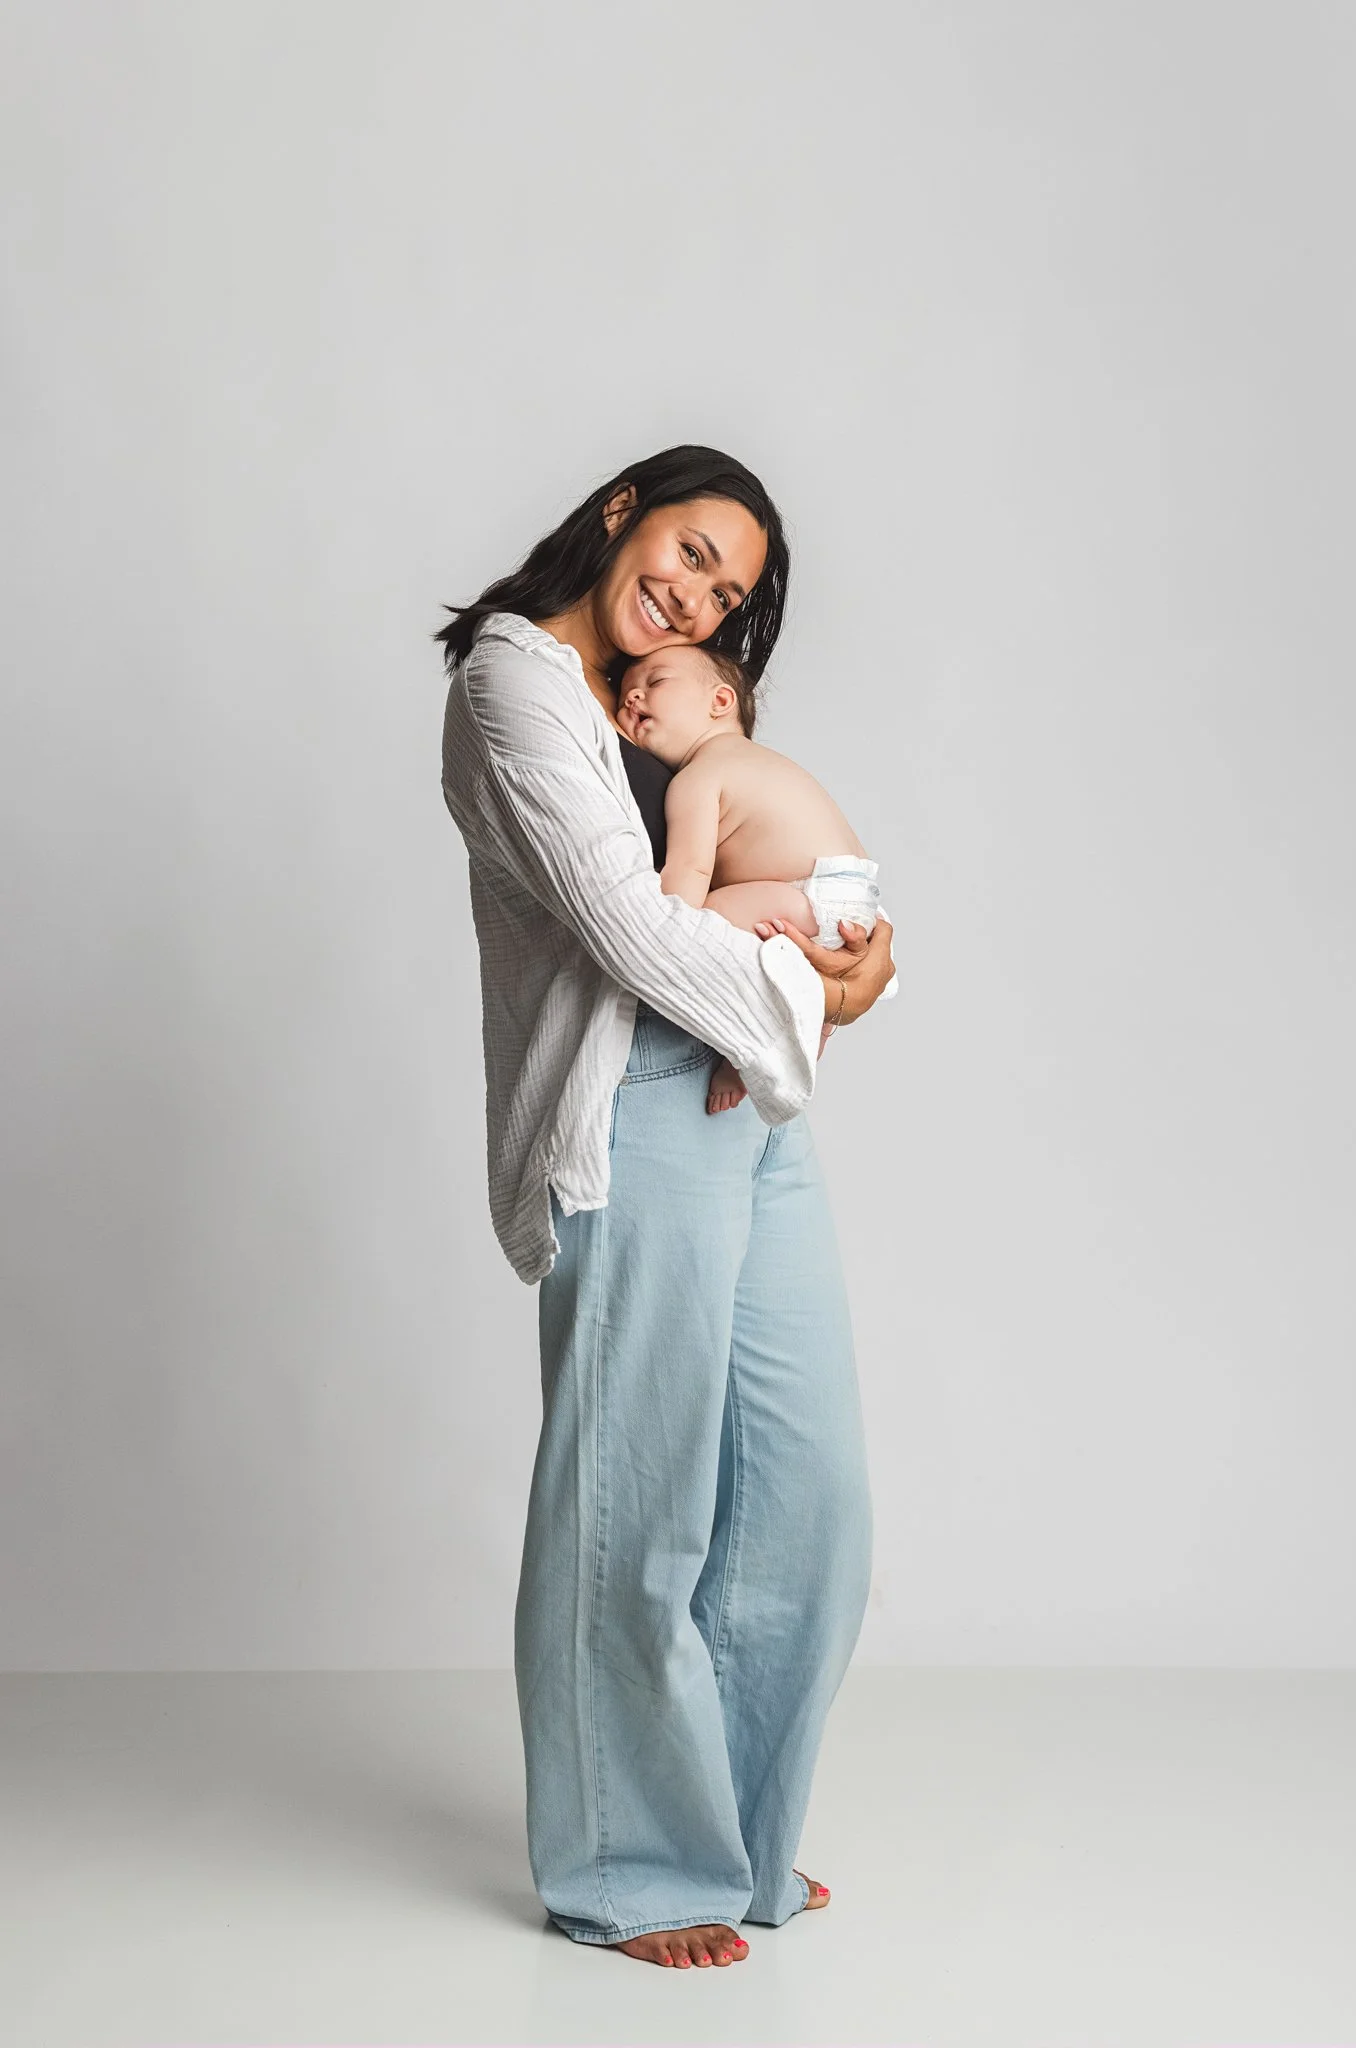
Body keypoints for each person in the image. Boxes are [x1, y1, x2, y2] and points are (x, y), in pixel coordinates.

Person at [436, 445, 896, 1970]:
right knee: (631, 1511)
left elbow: (778, 873)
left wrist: (845, 962)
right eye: (690, 548)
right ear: (623, 508)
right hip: (633, 1113)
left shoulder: (663, 701)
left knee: (804, 1497)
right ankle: (631, 1870)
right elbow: (628, 927)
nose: (695, 592)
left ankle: (744, 1843)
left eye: (729, 591)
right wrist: (802, 989)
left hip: (739, 1103)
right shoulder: (515, 684)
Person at [614, 640, 897, 1112]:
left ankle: (750, 1052)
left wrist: (663, 928)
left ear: (720, 702)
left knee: (704, 920)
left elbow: (688, 873)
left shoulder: (700, 775)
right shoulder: (765, 764)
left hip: (804, 897)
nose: (632, 699)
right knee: (774, 963)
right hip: (859, 907)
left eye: (654, 682)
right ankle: (812, 1033)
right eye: (625, 697)